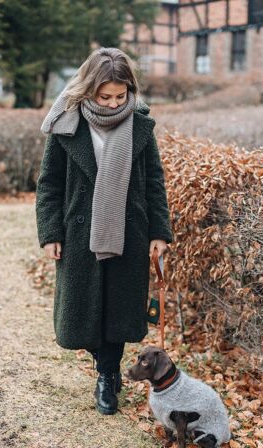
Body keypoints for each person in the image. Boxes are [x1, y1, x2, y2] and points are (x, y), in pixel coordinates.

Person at [36, 47, 173, 416]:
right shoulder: (67, 124)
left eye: (121, 96)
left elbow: (154, 182)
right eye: (105, 96)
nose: (114, 104)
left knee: (118, 309)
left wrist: (159, 231)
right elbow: (48, 184)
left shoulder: (140, 124)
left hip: (129, 230)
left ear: (130, 90)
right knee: (85, 311)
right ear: (89, 91)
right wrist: (50, 233)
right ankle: (104, 365)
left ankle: (107, 376)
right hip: (80, 234)